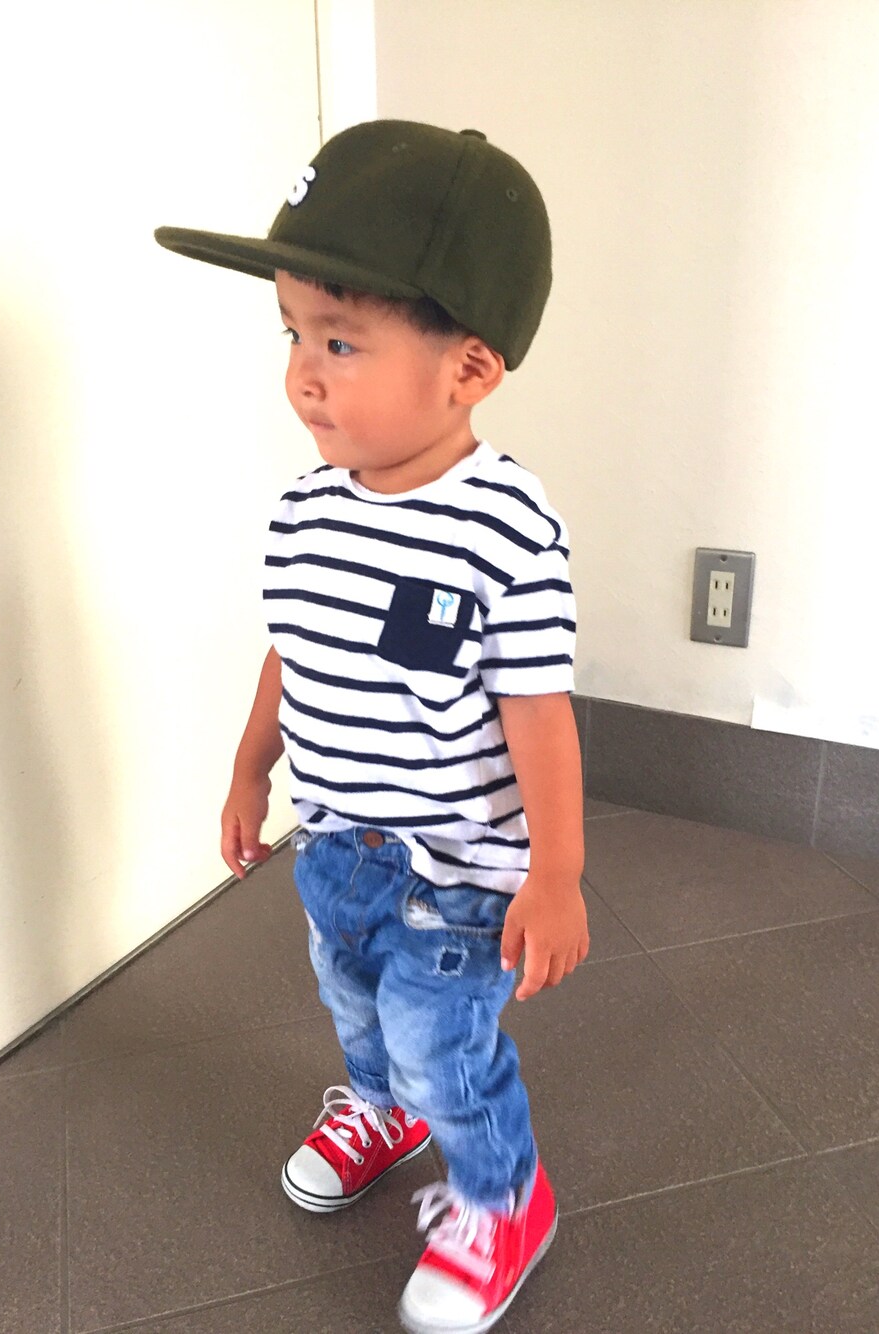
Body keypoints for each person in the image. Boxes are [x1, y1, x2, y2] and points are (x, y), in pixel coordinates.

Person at [155, 118, 588, 1334]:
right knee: (355, 1006)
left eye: (340, 340)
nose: (303, 372)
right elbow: (290, 648)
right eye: (292, 333)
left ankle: (503, 1198)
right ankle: (381, 1111)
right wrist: (250, 768)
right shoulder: (305, 508)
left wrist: (556, 872)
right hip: (335, 844)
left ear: (469, 368)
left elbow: (538, 710)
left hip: (457, 873)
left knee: (441, 1040)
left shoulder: (506, 526)